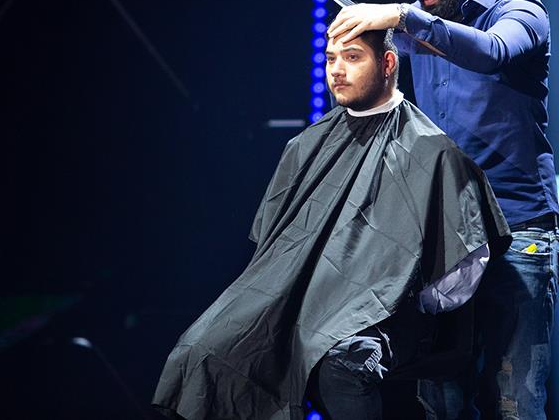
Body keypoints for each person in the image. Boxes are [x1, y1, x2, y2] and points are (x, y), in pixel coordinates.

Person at [152, 29, 510, 420]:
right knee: (199, 352)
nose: (337, 70)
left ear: (388, 63)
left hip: (387, 315)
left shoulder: (433, 151)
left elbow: (460, 273)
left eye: (352, 57)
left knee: (339, 363)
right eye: (330, 58)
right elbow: (273, 253)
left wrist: (389, 292)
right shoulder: (304, 147)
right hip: (302, 302)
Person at [327, 0, 559, 419]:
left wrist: (402, 17)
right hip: (447, 236)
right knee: (440, 400)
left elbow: (491, 51)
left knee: (513, 405)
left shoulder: (522, 12)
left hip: (519, 231)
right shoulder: (420, 27)